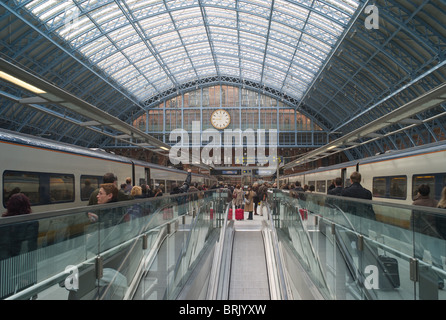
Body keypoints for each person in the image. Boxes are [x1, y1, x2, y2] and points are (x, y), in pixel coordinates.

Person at [0, 193, 38, 299]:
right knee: (24, 295)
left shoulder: (3, 222)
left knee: (7, 293)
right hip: (21, 267)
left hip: (5, 266)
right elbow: (31, 250)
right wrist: (29, 275)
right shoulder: (31, 223)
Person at [412, 184, 444, 289]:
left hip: (420, 234)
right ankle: (440, 280)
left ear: (419, 192)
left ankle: (417, 275)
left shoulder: (416, 203)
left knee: (418, 255)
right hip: (433, 234)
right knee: (436, 257)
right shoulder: (435, 203)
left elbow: (413, 221)